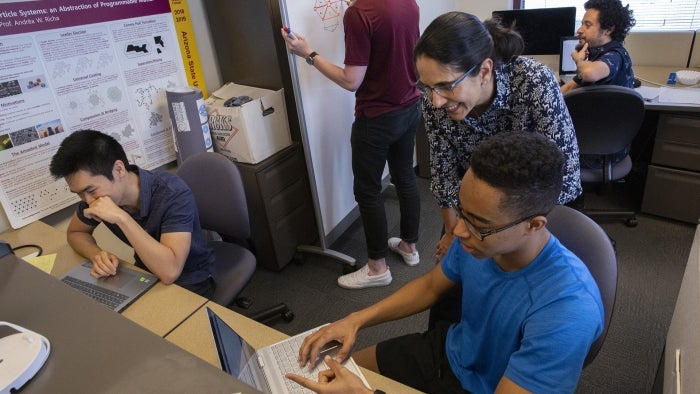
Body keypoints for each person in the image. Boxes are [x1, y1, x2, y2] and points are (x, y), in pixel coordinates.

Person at [287, 132, 603, 393]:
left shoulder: (569, 309)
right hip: (450, 351)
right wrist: (355, 319)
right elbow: (430, 286)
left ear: (534, 225)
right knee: (330, 375)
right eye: (461, 211)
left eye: (478, 223)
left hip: (489, 387)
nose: (458, 231)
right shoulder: (475, 242)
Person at [414, 12, 582, 327]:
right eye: (426, 87)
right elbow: (443, 170)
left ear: (485, 70)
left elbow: (566, 178)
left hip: (528, 210)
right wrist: (452, 230)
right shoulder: (434, 99)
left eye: (446, 86)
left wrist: (505, 231)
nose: (435, 101)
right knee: (447, 303)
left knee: (513, 311)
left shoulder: (533, 82)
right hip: (470, 208)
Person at [281, 0, 422, 289]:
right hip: (409, 106)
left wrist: (307, 53)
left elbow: (351, 80)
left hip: (377, 117)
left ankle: (377, 268)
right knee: (405, 175)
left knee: (367, 190)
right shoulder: (408, 2)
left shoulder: (360, 13)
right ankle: (409, 247)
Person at [49, 129, 215, 298]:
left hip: (190, 279)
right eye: (79, 193)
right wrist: (96, 255)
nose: (88, 201)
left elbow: (170, 272)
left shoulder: (173, 193)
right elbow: (75, 232)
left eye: (91, 190)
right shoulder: (94, 198)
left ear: (119, 169)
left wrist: (122, 218)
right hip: (146, 273)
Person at [560, 0, 636, 169]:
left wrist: (579, 61)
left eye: (587, 25)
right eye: (582, 24)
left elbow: (588, 73)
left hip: (604, 151)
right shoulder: (597, 57)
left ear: (608, 30)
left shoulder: (615, 55)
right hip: (592, 142)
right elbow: (572, 85)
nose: (579, 30)